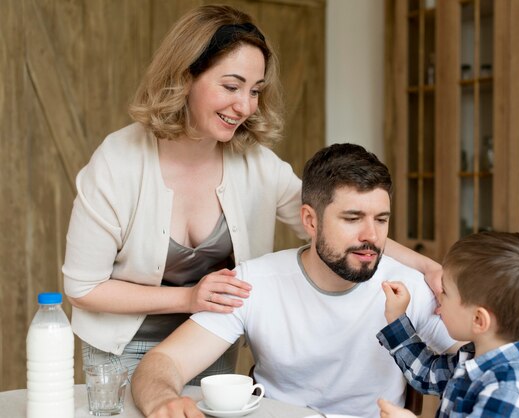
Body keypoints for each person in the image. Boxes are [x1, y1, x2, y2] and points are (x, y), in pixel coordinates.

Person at [61, 5, 441, 381]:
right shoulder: (117, 162)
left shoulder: (257, 165)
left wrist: (427, 268)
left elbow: (336, 223)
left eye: (255, 90)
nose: (244, 106)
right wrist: (187, 298)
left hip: (212, 340)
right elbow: (83, 288)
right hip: (120, 346)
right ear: (185, 76)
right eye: (231, 86)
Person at [131, 143, 458, 418]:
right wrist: (162, 400)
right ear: (310, 221)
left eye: (381, 220)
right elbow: (164, 361)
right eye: (352, 218)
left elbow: (480, 366)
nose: (371, 236)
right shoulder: (256, 282)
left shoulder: (410, 287)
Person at [377, 231, 519, 418]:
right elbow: (426, 373)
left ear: (478, 320)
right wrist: (397, 320)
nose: (438, 295)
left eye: (445, 292)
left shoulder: (508, 393)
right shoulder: (475, 358)